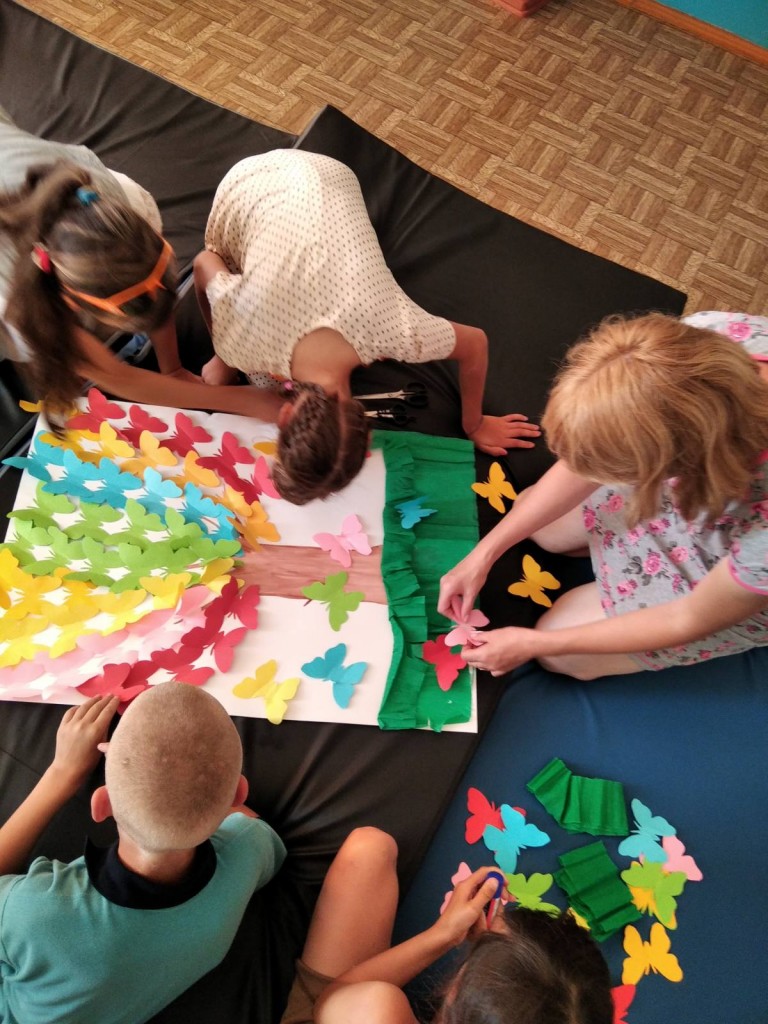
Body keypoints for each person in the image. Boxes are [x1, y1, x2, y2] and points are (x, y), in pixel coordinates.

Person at [192, 149, 540, 503]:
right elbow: (206, 262)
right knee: (258, 375)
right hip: (286, 180)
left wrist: (475, 424)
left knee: (260, 376)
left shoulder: (399, 331)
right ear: (284, 416)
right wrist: (224, 352)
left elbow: (476, 343)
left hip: (302, 178)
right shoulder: (245, 338)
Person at [439, 312, 768, 680]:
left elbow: (686, 617)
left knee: (562, 656)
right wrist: (484, 553)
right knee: (541, 527)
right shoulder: (700, 340)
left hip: (720, 575)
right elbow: (594, 450)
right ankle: (615, 547)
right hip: (692, 481)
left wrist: (535, 644)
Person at [0, 684, 286, 1024]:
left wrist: (62, 773)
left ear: (101, 804)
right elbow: (249, 823)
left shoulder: (32, 911)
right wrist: (178, 780)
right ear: (238, 793)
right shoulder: (248, 849)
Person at [0, 114, 288, 429]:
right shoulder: (19, 301)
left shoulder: (112, 206)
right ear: (70, 299)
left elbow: (153, 292)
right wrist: (242, 399)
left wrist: (172, 369)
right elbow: (118, 376)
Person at [279, 827, 613, 1024]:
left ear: (452, 996)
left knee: (368, 849)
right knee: (370, 850)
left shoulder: (378, 1009)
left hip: (336, 1010)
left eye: (480, 953)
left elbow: (332, 1001)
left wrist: (442, 936)